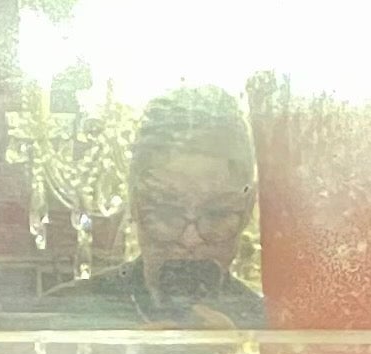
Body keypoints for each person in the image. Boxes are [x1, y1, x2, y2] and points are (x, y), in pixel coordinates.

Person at [48, 86, 267, 331]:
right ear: (135, 204)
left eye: (216, 214)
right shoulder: (63, 314)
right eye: (166, 213)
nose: (190, 239)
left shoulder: (270, 327)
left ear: (248, 209)